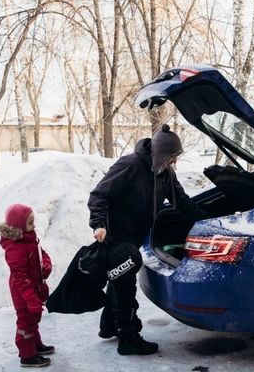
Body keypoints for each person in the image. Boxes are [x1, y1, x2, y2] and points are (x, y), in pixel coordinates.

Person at [88, 124, 208, 356]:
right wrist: (98, 224)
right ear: (160, 154)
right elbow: (99, 194)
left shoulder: (164, 172)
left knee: (118, 278)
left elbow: (181, 202)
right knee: (125, 281)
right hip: (116, 234)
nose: (174, 162)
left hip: (135, 233)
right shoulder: (130, 165)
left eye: (176, 157)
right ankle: (128, 337)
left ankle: (109, 325)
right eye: (172, 156)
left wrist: (206, 222)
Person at [0, 204, 54, 367]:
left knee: (33, 320)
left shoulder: (30, 239)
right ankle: (27, 355)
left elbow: (42, 254)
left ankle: (36, 345)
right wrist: (30, 299)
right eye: (30, 223)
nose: (34, 226)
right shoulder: (15, 247)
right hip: (23, 294)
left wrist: (46, 265)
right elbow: (19, 277)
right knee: (25, 324)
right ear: (19, 226)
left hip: (35, 288)